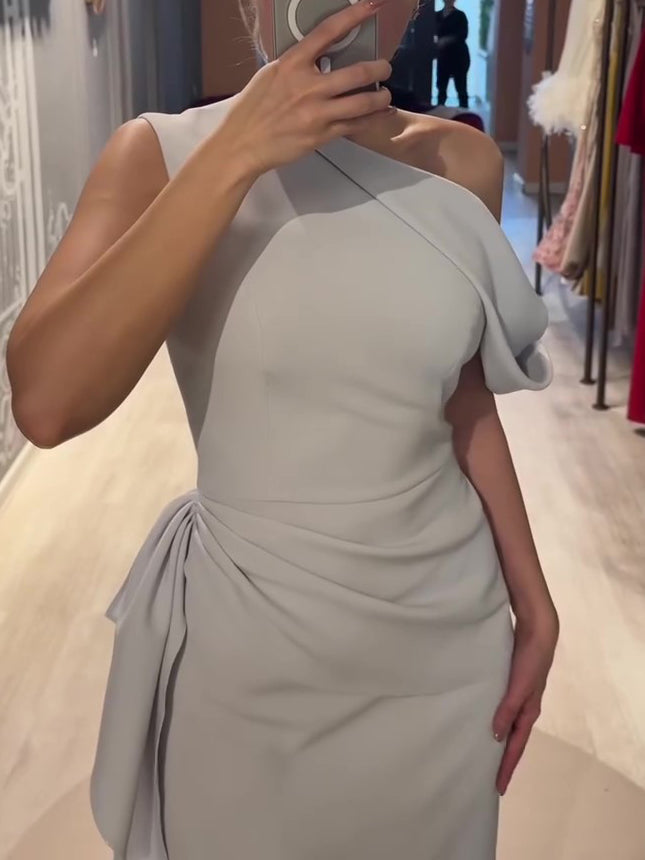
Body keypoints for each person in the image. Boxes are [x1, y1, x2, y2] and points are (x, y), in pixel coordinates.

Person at [6, 0, 559, 857]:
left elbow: (460, 396)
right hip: (253, 642)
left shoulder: (459, 161)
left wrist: (533, 599)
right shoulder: (160, 155)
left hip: (445, 644)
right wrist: (237, 153)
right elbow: (48, 402)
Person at [435, 0, 471, 108]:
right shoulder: (437, 15)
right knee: (441, 88)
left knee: (461, 88)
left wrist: (446, 40)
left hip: (459, 57)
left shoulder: (460, 15)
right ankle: (439, 113)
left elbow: (463, 34)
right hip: (443, 57)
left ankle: (464, 113)